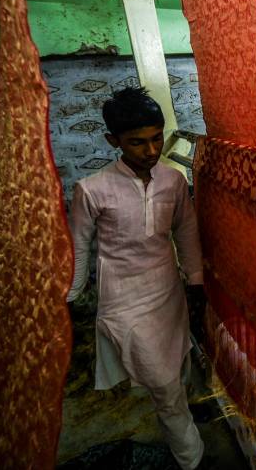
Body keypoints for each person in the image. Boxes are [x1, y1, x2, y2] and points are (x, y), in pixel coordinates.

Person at [67, 87, 205, 470]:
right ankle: (192, 459)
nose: (150, 150)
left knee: (176, 371)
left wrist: (195, 282)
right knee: (164, 385)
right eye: (137, 142)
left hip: (168, 293)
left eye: (157, 138)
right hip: (124, 303)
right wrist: (70, 296)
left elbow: (186, 232)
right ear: (113, 141)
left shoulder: (173, 182)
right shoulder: (92, 190)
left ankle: (184, 437)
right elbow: (78, 245)